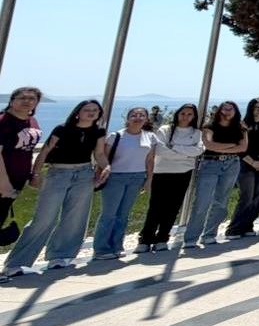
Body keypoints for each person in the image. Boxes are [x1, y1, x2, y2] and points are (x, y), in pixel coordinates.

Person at [3, 100, 106, 275]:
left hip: (83, 174)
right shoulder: (62, 129)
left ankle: (60, 256)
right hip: (58, 173)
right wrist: (35, 174)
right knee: (44, 218)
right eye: (87, 110)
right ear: (77, 112)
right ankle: (16, 262)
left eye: (95, 110)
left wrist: (106, 167)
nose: (91, 113)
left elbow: (99, 153)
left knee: (75, 218)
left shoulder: (99, 132)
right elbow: (44, 151)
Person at [89, 107, 159, 261]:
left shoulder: (150, 137)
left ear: (146, 119)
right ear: (127, 118)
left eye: (142, 115)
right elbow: (104, 158)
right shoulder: (116, 136)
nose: (138, 118)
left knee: (123, 215)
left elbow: (149, 160)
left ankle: (116, 245)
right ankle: (101, 248)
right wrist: (100, 177)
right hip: (116, 177)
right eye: (134, 115)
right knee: (109, 214)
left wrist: (149, 179)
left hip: (137, 177)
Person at [137, 104, 203, 252]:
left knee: (173, 207)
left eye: (189, 114)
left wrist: (174, 147)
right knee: (156, 206)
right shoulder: (165, 130)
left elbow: (198, 150)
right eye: (183, 113)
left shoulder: (197, 133)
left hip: (183, 172)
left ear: (194, 116)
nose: (185, 116)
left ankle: (162, 237)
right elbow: (160, 149)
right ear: (177, 114)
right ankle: (145, 239)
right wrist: (185, 154)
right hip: (162, 171)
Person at [181, 101, 247, 249]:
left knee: (221, 201)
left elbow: (243, 147)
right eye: (225, 108)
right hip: (210, 163)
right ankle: (191, 237)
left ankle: (210, 234)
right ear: (220, 111)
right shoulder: (209, 126)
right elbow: (209, 145)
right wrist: (232, 145)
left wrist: (224, 147)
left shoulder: (240, 127)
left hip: (232, 164)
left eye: (231, 109)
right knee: (202, 202)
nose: (228, 112)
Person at [227, 99, 259, 240]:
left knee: (258, 196)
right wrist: (252, 162)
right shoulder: (243, 125)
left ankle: (248, 225)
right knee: (247, 196)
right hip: (246, 164)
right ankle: (234, 228)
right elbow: (240, 149)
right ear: (250, 109)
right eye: (256, 107)